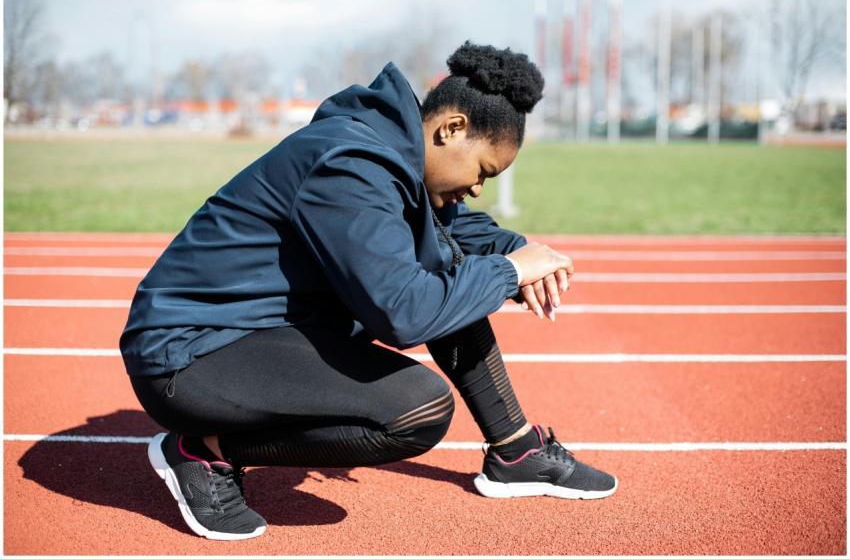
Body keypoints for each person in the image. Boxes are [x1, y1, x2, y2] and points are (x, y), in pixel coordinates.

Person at [120, 41, 617, 541]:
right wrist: (510, 272)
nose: (477, 189)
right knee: (417, 410)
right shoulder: (351, 165)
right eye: (483, 171)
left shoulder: (393, 156)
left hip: (260, 332)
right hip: (189, 354)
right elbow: (405, 314)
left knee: (456, 275)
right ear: (452, 129)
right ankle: (201, 451)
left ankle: (517, 452)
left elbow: (450, 236)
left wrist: (522, 251)